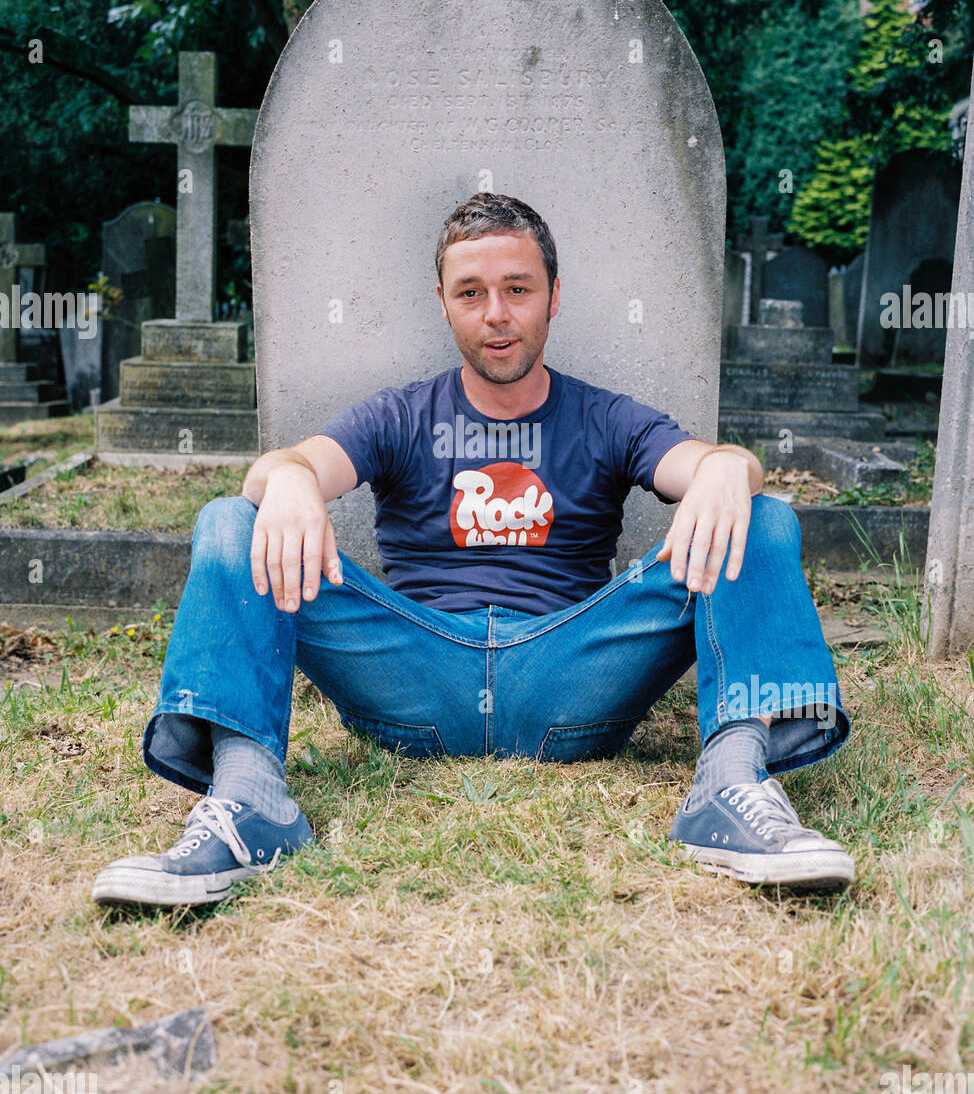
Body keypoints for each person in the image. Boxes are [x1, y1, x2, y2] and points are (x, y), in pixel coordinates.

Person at [92, 193, 854, 909]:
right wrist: (286, 476)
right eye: (471, 293)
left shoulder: (607, 416)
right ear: (445, 304)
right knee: (233, 519)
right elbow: (289, 467)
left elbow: (707, 468)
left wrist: (726, 465)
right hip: (415, 673)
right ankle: (249, 800)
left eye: (518, 289)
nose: (497, 316)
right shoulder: (399, 413)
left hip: (573, 672)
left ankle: (729, 787)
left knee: (763, 516)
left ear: (555, 296)